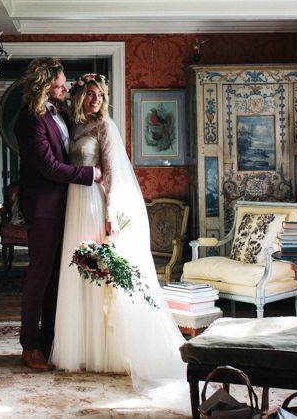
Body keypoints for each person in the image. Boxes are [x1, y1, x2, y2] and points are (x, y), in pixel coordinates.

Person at [50, 73, 189, 403]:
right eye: (90, 94)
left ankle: (107, 351)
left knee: (100, 276)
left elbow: (111, 175)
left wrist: (111, 215)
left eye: (100, 95)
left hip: (95, 205)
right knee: (76, 275)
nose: (95, 99)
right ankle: (80, 348)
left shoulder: (104, 127)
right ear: (80, 95)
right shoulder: (73, 125)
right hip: (73, 205)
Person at [14, 58, 101, 372]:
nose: (65, 87)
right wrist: (90, 175)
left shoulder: (60, 113)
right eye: (60, 83)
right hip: (44, 208)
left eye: (65, 83)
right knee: (39, 276)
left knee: (57, 279)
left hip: (68, 206)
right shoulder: (30, 119)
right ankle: (30, 346)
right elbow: (49, 167)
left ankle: (50, 342)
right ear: (43, 84)